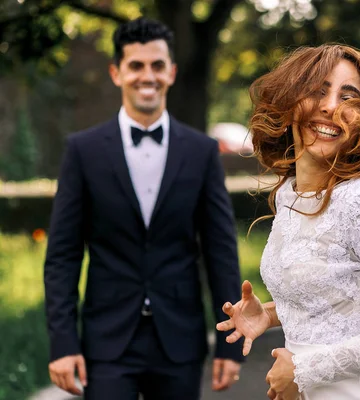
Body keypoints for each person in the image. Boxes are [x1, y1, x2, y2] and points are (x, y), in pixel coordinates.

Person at [217, 44, 360, 400]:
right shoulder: (292, 195)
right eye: (318, 91)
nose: (331, 106)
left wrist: (303, 370)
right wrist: (272, 314)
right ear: (290, 103)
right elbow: (341, 296)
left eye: (348, 97)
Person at [44, 17, 244, 399]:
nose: (146, 76)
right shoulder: (82, 151)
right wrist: (63, 343)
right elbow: (63, 257)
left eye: (156, 65)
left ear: (171, 72)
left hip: (180, 341)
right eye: (136, 65)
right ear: (117, 72)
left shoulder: (201, 152)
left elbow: (220, 250)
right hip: (107, 343)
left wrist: (230, 342)